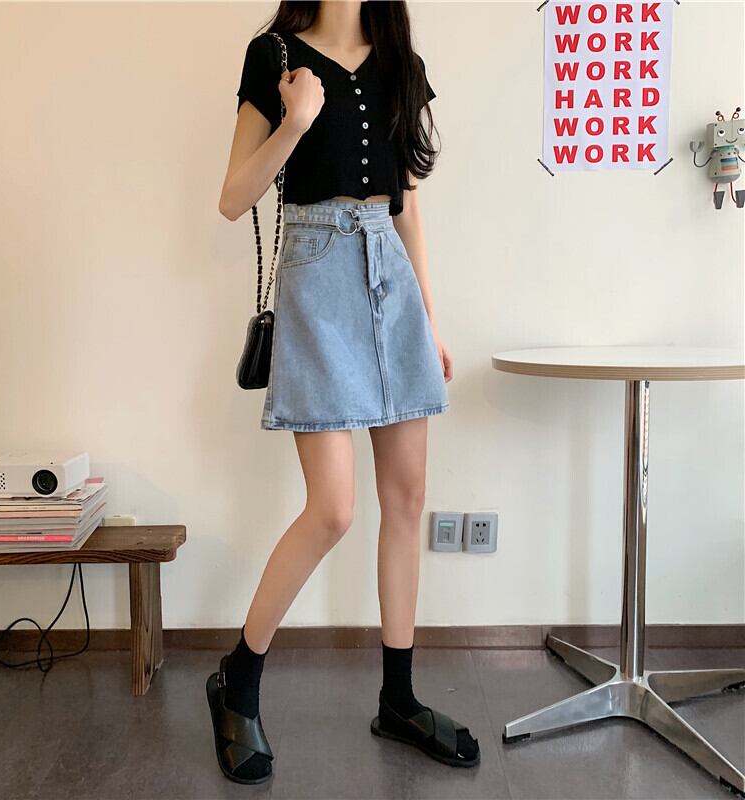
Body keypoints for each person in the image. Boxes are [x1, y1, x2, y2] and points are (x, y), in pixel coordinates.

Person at [209, 0, 479, 784]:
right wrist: (294, 123)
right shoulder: (273, 55)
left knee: (407, 497)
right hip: (317, 270)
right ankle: (237, 679)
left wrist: (428, 320)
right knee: (332, 510)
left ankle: (398, 700)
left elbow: (409, 203)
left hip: (390, 272)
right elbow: (232, 196)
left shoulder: (400, 63)